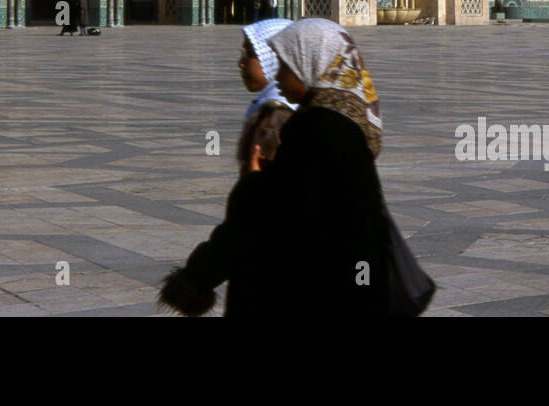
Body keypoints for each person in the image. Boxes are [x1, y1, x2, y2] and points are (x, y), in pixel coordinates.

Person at [158, 18, 393, 317]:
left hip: (285, 294)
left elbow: (266, 217)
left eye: (285, 65)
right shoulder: (349, 127)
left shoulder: (313, 130)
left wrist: (254, 183)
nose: (277, 74)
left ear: (312, 64)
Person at [235, 18, 295, 178]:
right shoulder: (293, 105)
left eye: (250, 53)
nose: (241, 63)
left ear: (274, 56)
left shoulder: (274, 117)